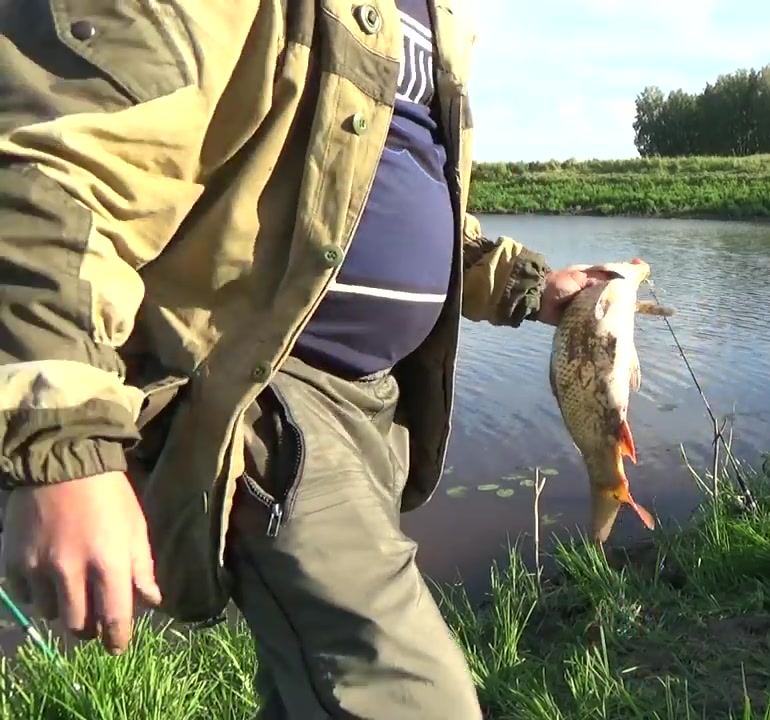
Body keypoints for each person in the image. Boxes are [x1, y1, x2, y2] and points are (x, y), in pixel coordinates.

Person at [0, 2, 621, 717]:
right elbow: (54, 167)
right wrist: (61, 444)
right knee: (411, 696)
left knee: (311, 694)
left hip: (376, 407)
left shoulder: (437, 16)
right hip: (270, 393)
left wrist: (529, 286)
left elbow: (383, 179)